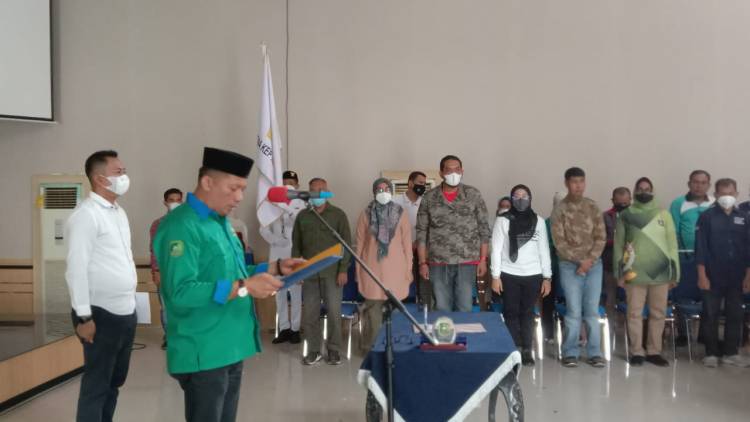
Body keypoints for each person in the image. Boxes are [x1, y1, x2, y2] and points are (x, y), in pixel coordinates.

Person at [153, 147, 302, 422]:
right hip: (204, 348)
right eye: (233, 188)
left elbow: (234, 272)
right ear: (207, 182)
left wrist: (276, 267)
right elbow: (180, 291)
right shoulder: (182, 226)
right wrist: (245, 287)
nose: (239, 197)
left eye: (243, 189)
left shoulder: (220, 223)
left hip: (229, 345)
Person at [64, 150, 137, 422]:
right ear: (99, 179)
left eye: (124, 171)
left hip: (125, 311)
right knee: (97, 384)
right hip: (100, 313)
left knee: (114, 382)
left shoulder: (118, 212)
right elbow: (76, 269)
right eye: (118, 172)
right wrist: (84, 317)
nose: (124, 177)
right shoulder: (86, 215)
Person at [613, 178, 679, 367]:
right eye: (640, 189)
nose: (644, 192)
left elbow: (672, 245)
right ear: (635, 191)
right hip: (633, 272)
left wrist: (675, 273)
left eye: (647, 189)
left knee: (658, 313)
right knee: (634, 313)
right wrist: (619, 273)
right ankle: (637, 352)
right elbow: (618, 245)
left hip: (661, 272)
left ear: (652, 191)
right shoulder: (626, 215)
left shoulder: (664, 214)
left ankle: (653, 351)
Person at [416, 155, 491, 312]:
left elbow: (484, 228)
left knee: (464, 307)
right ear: (441, 173)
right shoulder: (429, 198)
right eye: (449, 170)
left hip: (467, 261)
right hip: (438, 262)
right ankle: (444, 330)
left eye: (457, 169)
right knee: (441, 307)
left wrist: (483, 259)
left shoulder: (473, 194)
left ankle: (462, 330)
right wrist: (422, 263)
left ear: (462, 171)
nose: (454, 173)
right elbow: (421, 231)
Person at [550, 167, 607, 368]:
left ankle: (595, 352)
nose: (578, 186)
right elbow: (559, 242)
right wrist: (579, 261)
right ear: (567, 183)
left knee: (591, 311)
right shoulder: (560, 210)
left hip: (594, 266)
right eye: (574, 182)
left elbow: (601, 236)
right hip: (569, 266)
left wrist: (589, 260)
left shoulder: (592, 206)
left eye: (581, 181)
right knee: (573, 311)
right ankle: (570, 352)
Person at [293, 177, 352, 366]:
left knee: (334, 313)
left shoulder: (338, 215)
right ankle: (314, 350)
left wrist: (343, 270)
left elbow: (346, 245)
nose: (318, 193)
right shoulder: (302, 216)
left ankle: (333, 350)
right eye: (314, 190)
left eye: (321, 190)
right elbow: (296, 246)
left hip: (332, 273)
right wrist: (298, 272)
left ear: (327, 191)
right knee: (310, 314)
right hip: (309, 273)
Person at [490, 185, 552, 366]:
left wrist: (547, 277)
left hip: (533, 275)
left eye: (524, 196)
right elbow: (496, 250)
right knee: (510, 312)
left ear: (530, 198)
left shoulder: (539, 221)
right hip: (509, 274)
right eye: (516, 196)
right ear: (511, 199)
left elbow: (544, 250)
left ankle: (526, 349)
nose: (521, 199)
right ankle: (512, 350)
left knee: (527, 313)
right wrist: (495, 276)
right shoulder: (503, 220)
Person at [695, 178, 750, 368]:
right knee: (711, 314)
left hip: (737, 275)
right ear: (716, 195)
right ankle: (711, 353)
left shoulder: (744, 217)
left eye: (731, 193)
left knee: (735, 314)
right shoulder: (707, 217)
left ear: (737, 194)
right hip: (712, 275)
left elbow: (748, 249)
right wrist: (701, 275)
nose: (727, 197)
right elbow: (700, 248)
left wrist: (748, 276)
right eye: (723, 194)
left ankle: (731, 353)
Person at [355, 178, 413, 353]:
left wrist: (409, 270)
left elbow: (407, 245)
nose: (383, 192)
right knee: (373, 313)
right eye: (379, 189)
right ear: (374, 192)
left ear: (392, 191)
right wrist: (358, 272)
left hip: (397, 272)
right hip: (371, 271)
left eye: (387, 189)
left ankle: (394, 349)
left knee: (395, 314)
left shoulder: (401, 213)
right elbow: (359, 246)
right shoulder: (365, 214)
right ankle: (374, 351)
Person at [260, 170, 306, 344]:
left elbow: (301, 223)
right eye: (285, 183)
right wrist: (275, 240)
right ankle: (284, 328)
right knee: (279, 292)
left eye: (292, 183)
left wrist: (287, 208)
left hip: (294, 253)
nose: (288, 186)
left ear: (297, 185)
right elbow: (263, 227)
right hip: (276, 253)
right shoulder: (270, 202)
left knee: (295, 292)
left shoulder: (302, 203)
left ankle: (295, 329)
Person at [669, 170, 714, 345]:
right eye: (695, 182)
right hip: (684, 257)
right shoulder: (678, 203)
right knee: (682, 294)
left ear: (708, 185)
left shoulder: (714, 203)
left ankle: (704, 333)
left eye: (703, 182)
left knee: (707, 295)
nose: (699, 186)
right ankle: (683, 334)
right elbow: (673, 230)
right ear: (689, 184)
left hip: (709, 259)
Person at [149, 188, 183, 350]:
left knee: (185, 304)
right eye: (171, 200)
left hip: (185, 272)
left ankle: (184, 336)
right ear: (165, 202)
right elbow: (154, 250)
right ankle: (170, 337)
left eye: (178, 200)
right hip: (165, 272)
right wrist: (156, 271)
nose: (175, 203)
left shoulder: (189, 222)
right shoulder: (158, 224)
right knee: (166, 306)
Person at [393, 171, 430, 308]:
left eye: (424, 184)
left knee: (424, 282)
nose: (422, 186)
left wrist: (418, 243)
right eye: (420, 183)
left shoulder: (426, 202)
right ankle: (397, 309)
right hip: (400, 250)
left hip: (421, 249)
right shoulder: (395, 201)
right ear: (410, 183)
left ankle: (424, 309)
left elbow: (430, 226)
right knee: (400, 281)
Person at [602, 187, 631, 313]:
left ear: (630, 200)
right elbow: (600, 240)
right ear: (613, 201)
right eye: (619, 204)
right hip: (610, 265)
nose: (623, 206)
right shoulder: (605, 216)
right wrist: (618, 241)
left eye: (625, 203)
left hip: (632, 266)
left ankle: (631, 326)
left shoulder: (636, 216)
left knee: (632, 301)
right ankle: (612, 325)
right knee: (610, 301)